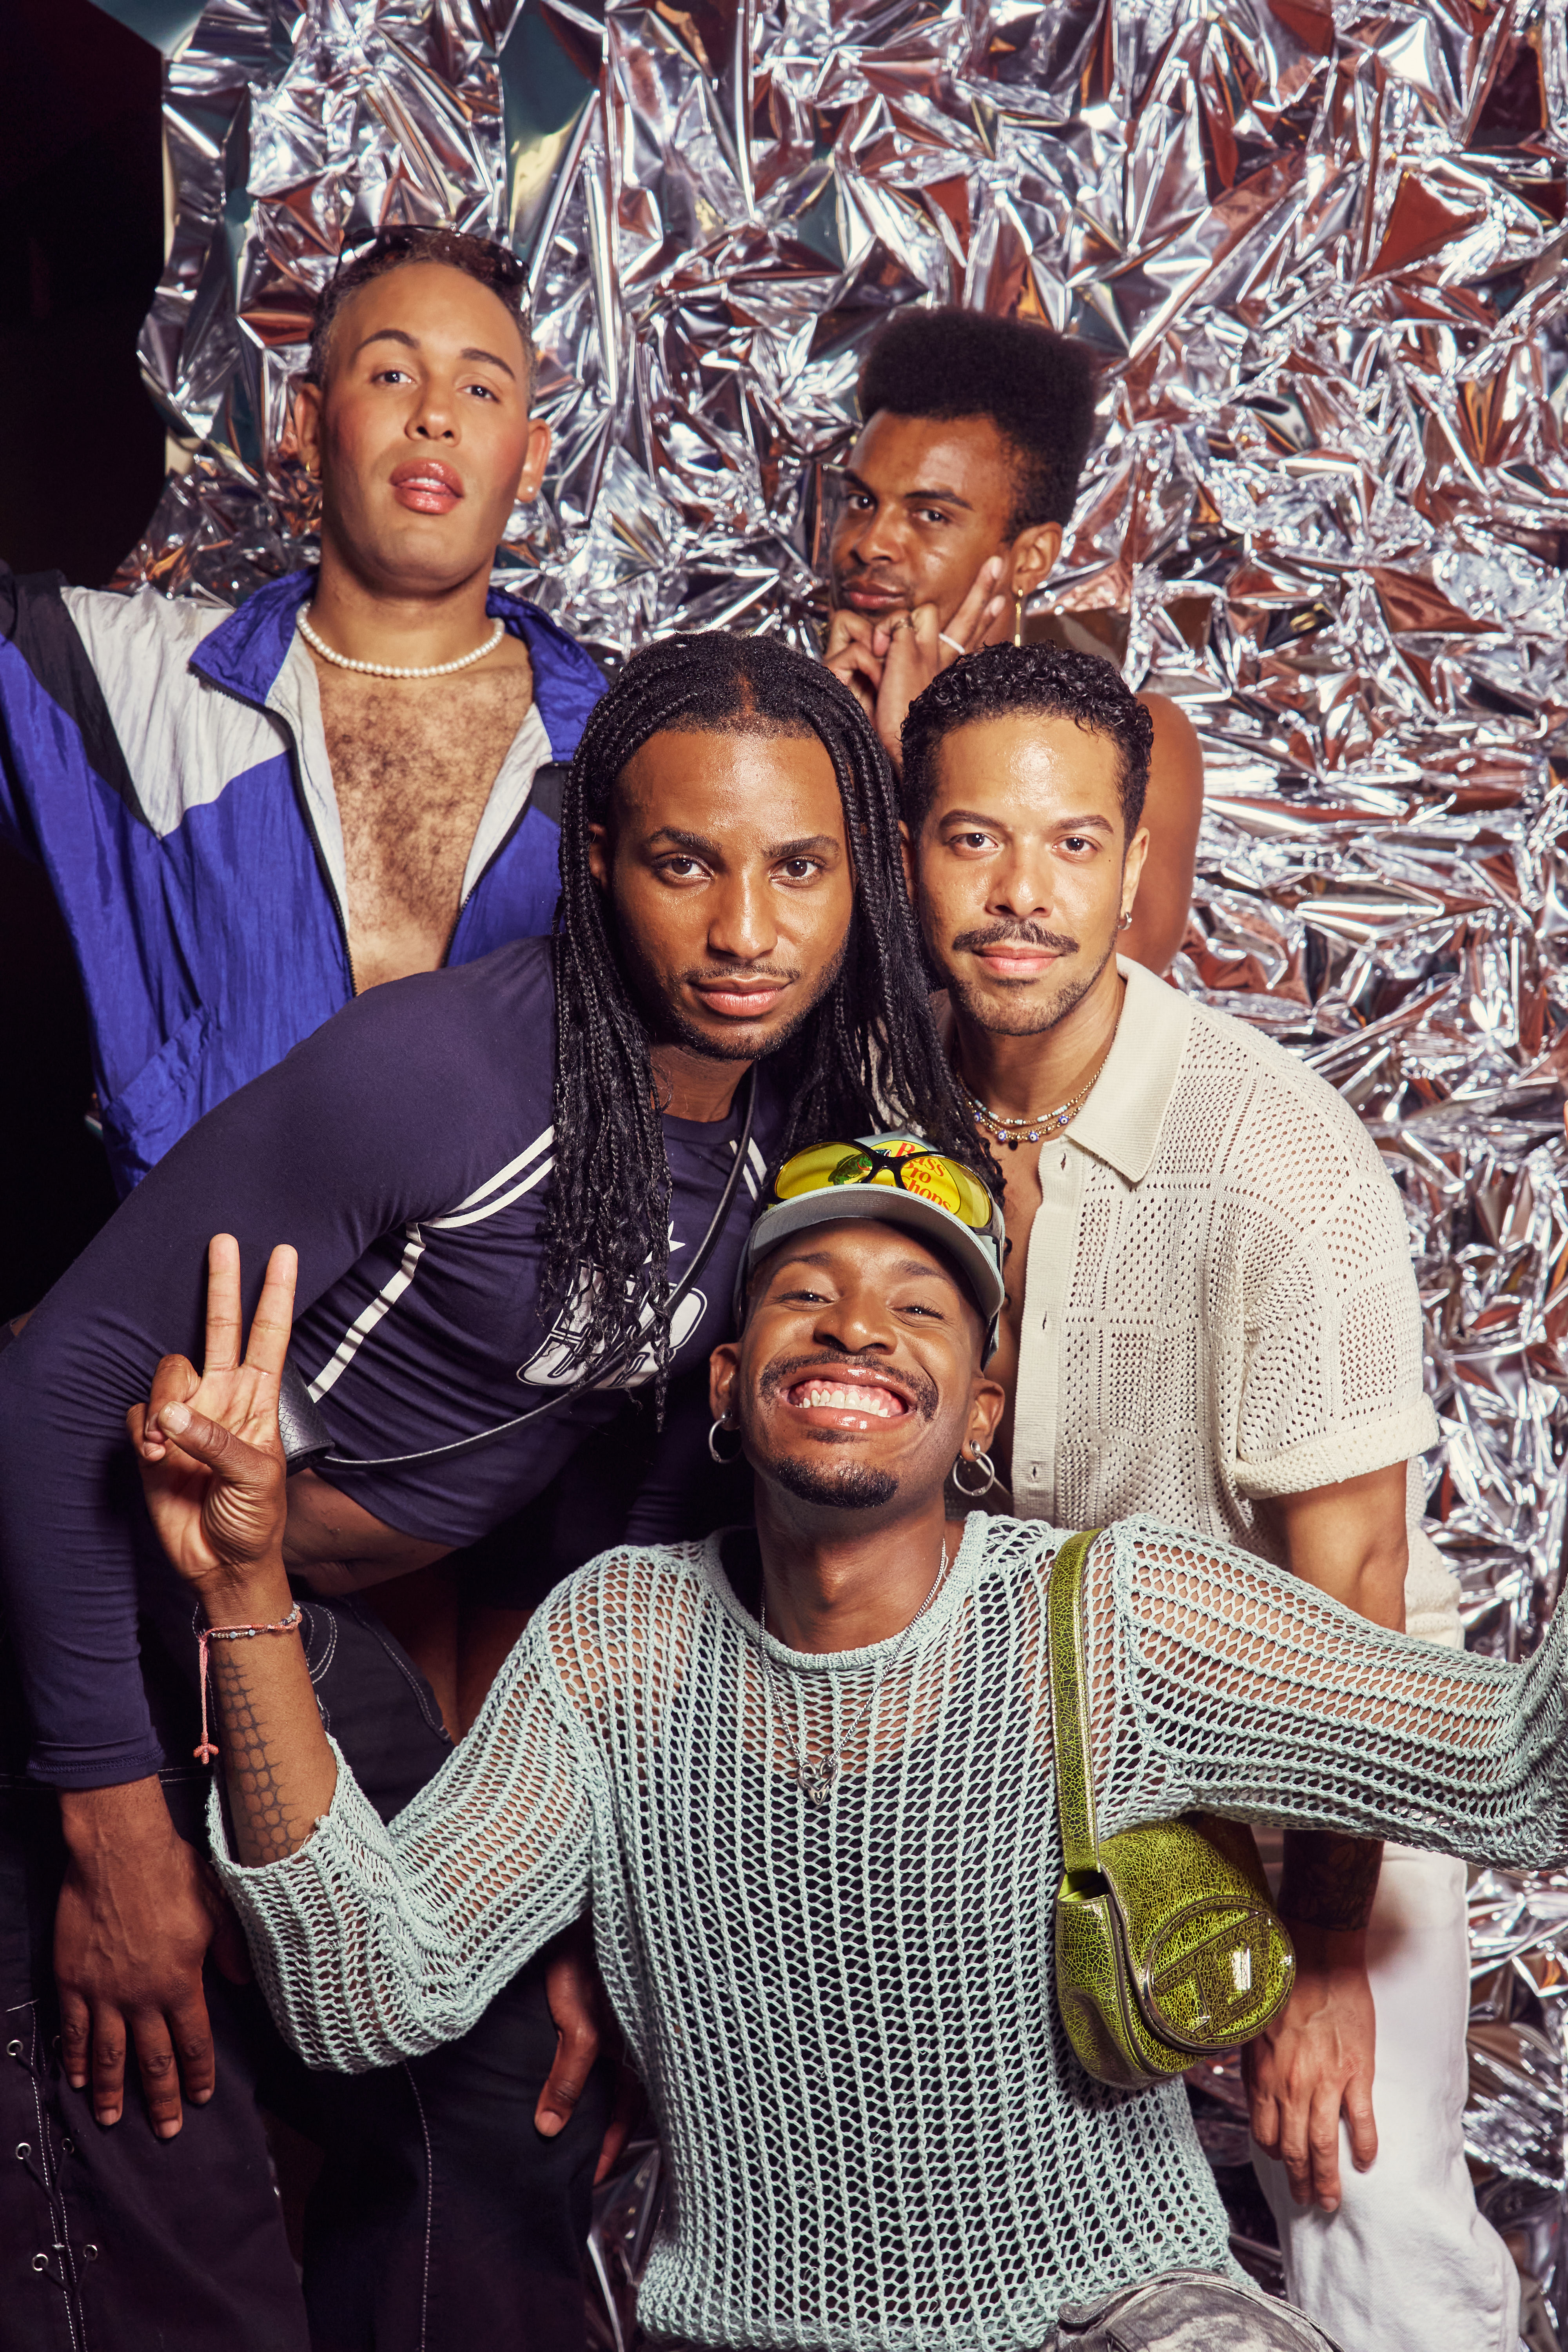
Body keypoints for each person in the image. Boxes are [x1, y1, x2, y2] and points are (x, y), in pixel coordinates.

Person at [116, 1140, 1568, 2352]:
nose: (857, 1328)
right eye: (806, 1296)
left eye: (918, 1308)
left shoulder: (1113, 1621)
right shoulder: (620, 1643)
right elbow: (367, 1995)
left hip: (1117, 2317)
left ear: (980, 1412)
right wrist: (244, 1588)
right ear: (727, 1385)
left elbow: (1519, 1770)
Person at [0, 631, 979, 2351]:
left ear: (862, 881)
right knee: (163, 2140)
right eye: (685, 862)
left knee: (503, 2077)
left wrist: (596, 1873)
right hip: (73, 1593)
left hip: (257, 1621)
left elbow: (647, 1514)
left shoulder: (783, 1134)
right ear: (596, 861)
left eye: (800, 867)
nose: (747, 930)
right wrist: (114, 1828)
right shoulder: (444, 1077)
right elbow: (56, 1384)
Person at [898, 641, 1516, 2352]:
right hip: (1030, 1752)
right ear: (908, 855)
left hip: (1311, 1748)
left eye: (1074, 844)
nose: (1022, 897)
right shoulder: (877, 1102)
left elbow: (1355, 1586)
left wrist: (1325, 1949)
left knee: (1361, 2200)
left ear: (1133, 865)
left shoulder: (1273, 1158)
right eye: (972, 840)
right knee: (990, 2219)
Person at [0, 224, 604, 1204]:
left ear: (530, 459)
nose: (435, 417)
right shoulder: (139, 678)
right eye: (393, 375)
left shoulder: (622, 754)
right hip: (193, 1290)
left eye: (480, 389)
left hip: (498, 1305)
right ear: (307, 425)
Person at [820, 305, 1205, 975]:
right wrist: (827, 745)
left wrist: (916, 751)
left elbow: (1112, 967)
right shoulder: (777, 725)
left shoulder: (1136, 736)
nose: (871, 543)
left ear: (1029, 559)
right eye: (860, 502)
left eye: (930, 514)